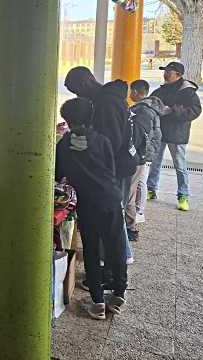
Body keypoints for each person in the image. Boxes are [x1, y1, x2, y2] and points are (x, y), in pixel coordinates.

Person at [55, 98, 128, 320]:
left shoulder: (64, 145)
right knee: (116, 247)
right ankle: (118, 295)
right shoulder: (102, 141)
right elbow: (111, 170)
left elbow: (58, 176)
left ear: (67, 120)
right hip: (111, 199)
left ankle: (97, 303)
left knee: (92, 251)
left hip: (88, 205)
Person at [64, 66, 135, 263]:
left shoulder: (106, 103)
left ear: (85, 82)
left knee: (111, 212)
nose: (78, 95)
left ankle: (117, 260)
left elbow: (111, 141)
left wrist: (87, 147)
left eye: (77, 90)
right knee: (112, 212)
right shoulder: (105, 98)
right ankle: (117, 257)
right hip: (118, 163)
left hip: (116, 166)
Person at [147, 62, 202, 212]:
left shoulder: (188, 92)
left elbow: (195, 110)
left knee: (180, 166)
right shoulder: (161, 90)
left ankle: (183, 196)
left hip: (177, 134)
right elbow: (150, 104)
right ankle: (151, 189)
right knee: (155, 163)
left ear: (178, 74)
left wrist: (173, 111)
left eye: (169, 72)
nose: (165, 74)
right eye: (165, 71)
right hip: (160, 132)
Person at [128, 80, 163, 230]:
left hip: (144, 151)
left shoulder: (142, 110)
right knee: (141, 181)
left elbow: (141, 134)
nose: (130, 95)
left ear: (136, 92)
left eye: (131, 91)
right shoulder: (151, 106)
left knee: (140, 182)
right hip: (149, 149)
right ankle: (139, 210)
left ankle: (139, 211)